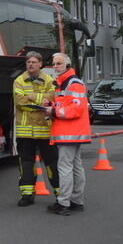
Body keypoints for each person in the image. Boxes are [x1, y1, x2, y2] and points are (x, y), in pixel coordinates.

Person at [44, 52, 91, 216]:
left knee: (65, 168)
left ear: (67, 65)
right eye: (54, 63)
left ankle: (63, 202)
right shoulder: (64, 83)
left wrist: (53, 111)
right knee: (76, 167)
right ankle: (76, 201)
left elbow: (76, 109)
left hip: (69, 133)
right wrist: (51, 104)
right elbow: (67, 104)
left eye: (59, 63)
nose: (55, 66)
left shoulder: (72, 83)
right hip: (73, 133)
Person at [12, 51, 59, 206]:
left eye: (33, 62)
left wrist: (32, 97)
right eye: (28, 62)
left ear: (40, 64)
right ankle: (27, 195)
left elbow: (52, 98)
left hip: (45, 131)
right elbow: (20, 102)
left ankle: (60, 195)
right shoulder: (19, 80)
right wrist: (40, 101)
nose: (30, 64)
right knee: (26, 164)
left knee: (52, 163)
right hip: (25, 132)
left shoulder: (49, 80)